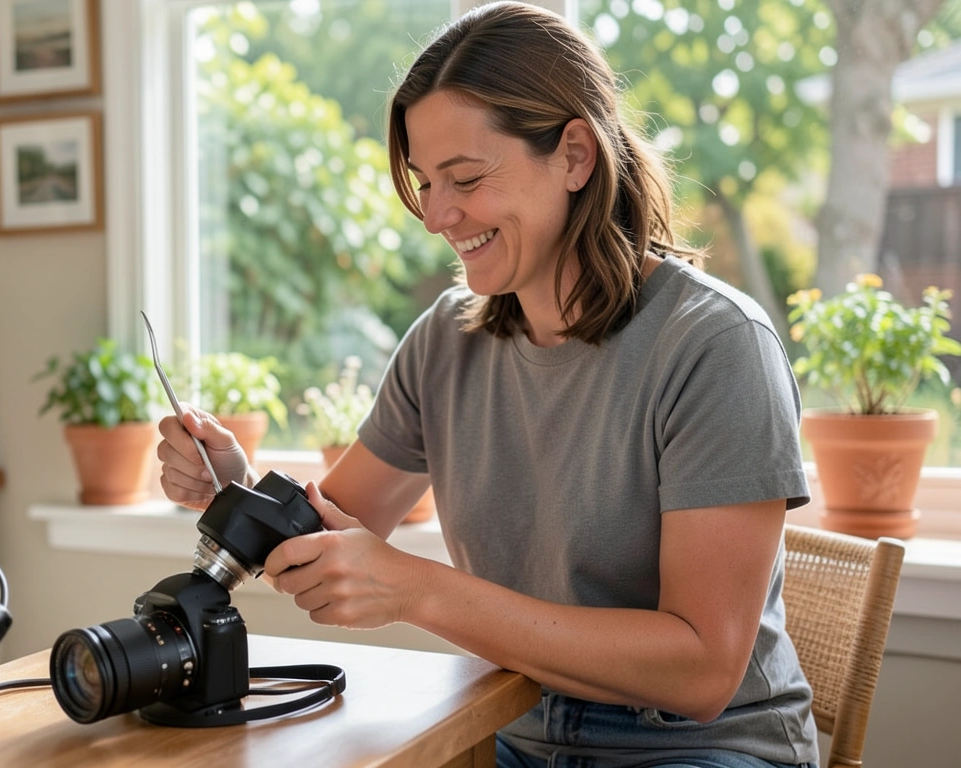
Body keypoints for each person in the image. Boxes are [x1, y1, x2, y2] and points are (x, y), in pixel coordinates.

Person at [155, 3, 818, 767]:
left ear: (575, 155)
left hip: (702, 749)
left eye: (465, 177)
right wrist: (236, 490)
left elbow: (701, 669)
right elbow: (336, 528)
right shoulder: (446, 341)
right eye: (426, 182)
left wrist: (420, 591)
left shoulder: (713, 345)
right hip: (507, 728)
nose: (437, 215)